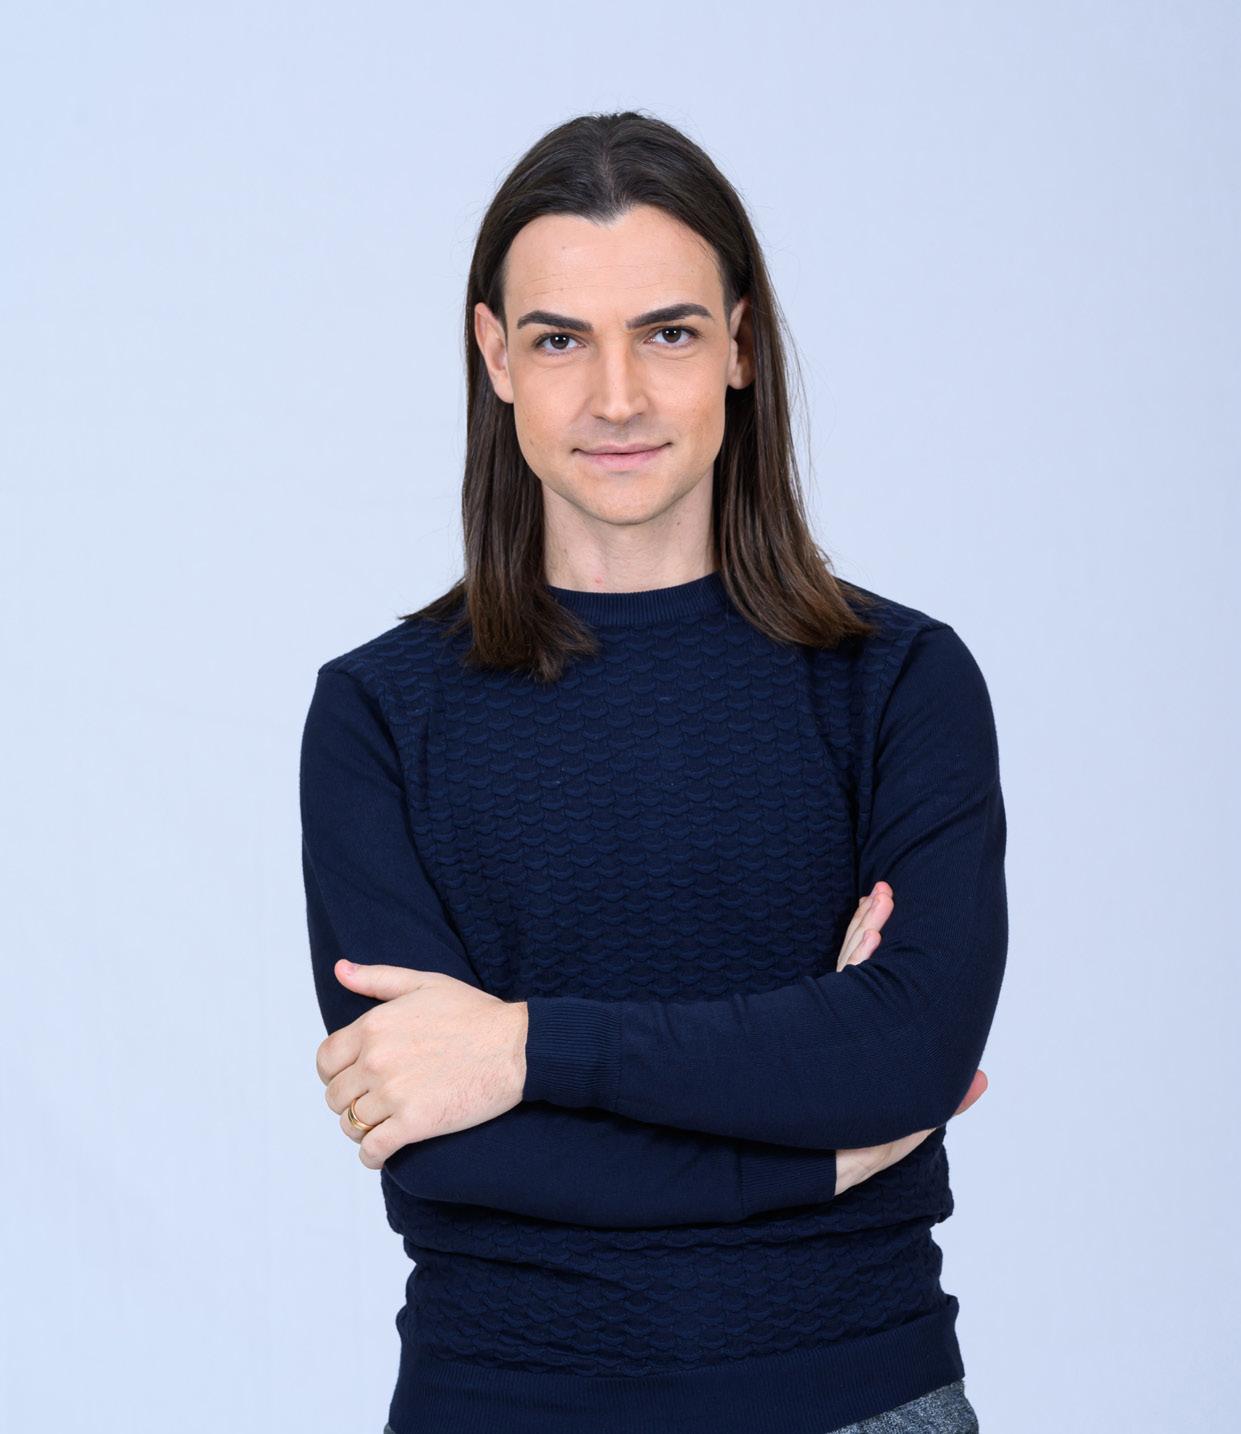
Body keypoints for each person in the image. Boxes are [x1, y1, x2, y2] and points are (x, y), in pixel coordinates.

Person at [299, 110, 1005, 1434]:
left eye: (667, 334)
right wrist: (812, 1149)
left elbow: (907, 1052)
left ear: (740, 344)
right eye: (561, 340)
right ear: (495, 357)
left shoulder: (898, 682)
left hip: (858, 1398)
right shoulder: (377, 715)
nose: (615, 398)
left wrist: (522, 1046)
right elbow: (443, 1145)